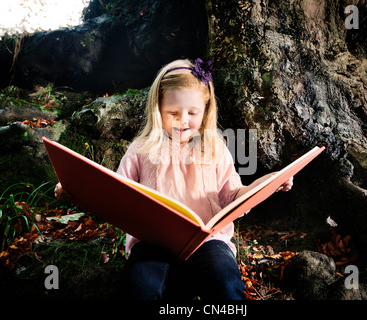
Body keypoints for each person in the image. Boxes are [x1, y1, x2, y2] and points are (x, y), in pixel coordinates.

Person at [54, 58, 293, 300]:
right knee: (140, 286)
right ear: (158, 109)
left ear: (206, 111)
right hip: (151, 241)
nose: (183, 120)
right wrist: (75, 190)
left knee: (226, 281)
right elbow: (114, 194)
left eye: (192, 112)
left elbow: (233, 195)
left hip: (208, 241)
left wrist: (266, 184)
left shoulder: (214, 149)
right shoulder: (142, 148)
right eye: (173, 112)